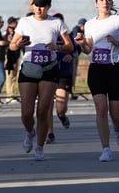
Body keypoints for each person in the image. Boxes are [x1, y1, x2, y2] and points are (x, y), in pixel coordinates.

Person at [8, 0, 73, 161]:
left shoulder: (56, 23)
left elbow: (69, 46)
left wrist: (57, 48)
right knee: (26, 113)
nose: (38, 8)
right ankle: (30, 132)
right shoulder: (24, 22)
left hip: (49, 69)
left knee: (43, 111)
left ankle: (40, 147)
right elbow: (12, 46)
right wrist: (18, 44)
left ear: (49, 7)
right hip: (29, 69)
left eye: (42, 5)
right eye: (36, 5)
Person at [74, 0, 119, 162]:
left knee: (116, 114)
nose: (105, 2)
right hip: (96, 69)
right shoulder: (89, 24)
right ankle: (106, 148)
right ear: (96, 3)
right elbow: (88, 49)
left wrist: (118, 43)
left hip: (115, 69)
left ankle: (118, 129)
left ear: (111, 3)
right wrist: (81, 44)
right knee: (101, 108)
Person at [45, 12, 77, 144]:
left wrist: (72, 55)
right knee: (47, 105)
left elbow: (75, 50)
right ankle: (50, 133)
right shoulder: (46, 35)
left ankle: (62, 115)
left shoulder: (68, 36)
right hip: (48, 72)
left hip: (63, 73)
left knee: (61, 105)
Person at [4, 16, 21, 103]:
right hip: (10, 56)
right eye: (15, 22)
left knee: (14, 76)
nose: (17, 24)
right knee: (9, 76)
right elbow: (11, 42)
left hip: (16, 55)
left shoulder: (15, 31)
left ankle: (12, 94)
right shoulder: (9, 32)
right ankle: (9, 95)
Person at [69, 17, 87, 98]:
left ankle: (71, 91)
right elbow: (76, 42)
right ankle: (70, 92)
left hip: (73, 54)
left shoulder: (80, 31)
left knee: (73, 73)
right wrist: (75, 52)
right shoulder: (77, 30)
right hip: (72, 55)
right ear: (82, 25)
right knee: (72, 73)